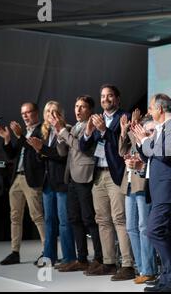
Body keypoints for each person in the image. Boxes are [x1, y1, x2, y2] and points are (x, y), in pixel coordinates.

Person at [132, 93, 171, 292]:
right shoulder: (162, 128)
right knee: (164, 233)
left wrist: (146, 143)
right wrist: (141, 143)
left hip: (169, 189)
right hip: (160, 190)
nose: (149, 111)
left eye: (151, 108)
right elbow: (152, 157)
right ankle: (169, 277)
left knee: (154, 231)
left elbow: (165, 154)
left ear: (161, 109)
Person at [79, 84, 135, 280]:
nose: (105, 99)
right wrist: (88, 131)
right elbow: (84, 147)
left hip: (116, 175)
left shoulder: (124, 117)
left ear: (117, 99)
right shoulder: (97, 119)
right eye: (102, 96)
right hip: (98, 175)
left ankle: (127, 264)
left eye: (110, 96)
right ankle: (109, 262)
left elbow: (123, 145)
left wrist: (104, 131)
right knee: (102, 220)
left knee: (120, 219)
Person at [52, 95, 103, 272]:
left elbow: (82, 147)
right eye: (76, 106)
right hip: (71, 176)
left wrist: (63, 132)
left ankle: (99, 258)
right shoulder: (74, 127)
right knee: (74, 218)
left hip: (85, 175)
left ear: (90, 110)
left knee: (89, 219)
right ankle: (82, 259)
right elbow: (62, 152)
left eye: (82, 107)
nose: (78, 110)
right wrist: (60, 135)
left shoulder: (93, 126)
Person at [26, 101, 76, 267]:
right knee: (49, 220)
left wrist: (42, 150)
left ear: (60, 113)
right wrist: (38, 151)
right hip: (48, 182)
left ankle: (69, 258)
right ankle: (49, 257)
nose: (51, 115)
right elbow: (44, 157)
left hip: (62, 181)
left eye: (54, 112)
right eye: (48, 112)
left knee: (64, 221)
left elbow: (62, 156)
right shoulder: (44, 131)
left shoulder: (67, 129)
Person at [0, 102, 45, 265]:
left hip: (32, 179)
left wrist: (20, 136)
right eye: (22, 113)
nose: (24, 115)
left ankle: (48, 250)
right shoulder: (22, 133)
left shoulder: (42, 129)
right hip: (17, 178)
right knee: (15, 217)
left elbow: (35, 151)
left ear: (36, 113)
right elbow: (12, 155)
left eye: (28, 112)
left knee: (37, 216)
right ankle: (15, 252)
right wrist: (8, 139)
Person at [118, 111, 157, 283]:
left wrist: (134, 130)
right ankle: (141, 267)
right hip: (128, 183)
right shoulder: (132, 134)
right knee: (131, 227)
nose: (135, 125)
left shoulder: (147, 134)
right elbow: (121, 151)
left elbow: (143, 149)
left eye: (138, 123)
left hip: (141, 183)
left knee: (143, 226)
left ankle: (149, 269)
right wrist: (123, 131)